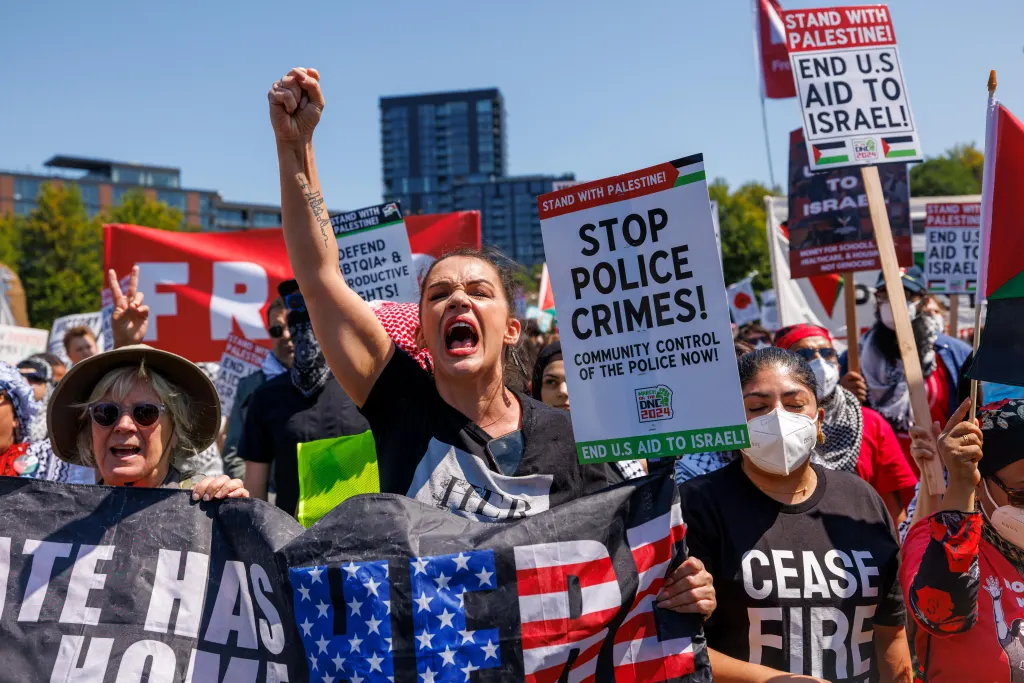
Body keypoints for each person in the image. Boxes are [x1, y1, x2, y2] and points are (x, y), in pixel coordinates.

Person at [268, 67, 713, 617]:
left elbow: (624, 569)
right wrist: (297, 147)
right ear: (423, 328)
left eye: (479, 291)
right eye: (439, 296)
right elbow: (319, 276)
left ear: (510, 328)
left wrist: (682, 588)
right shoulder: (400, 403)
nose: (458, 302)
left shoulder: (575, 437)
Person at [679, 348, 911, 682]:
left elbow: (891, 632)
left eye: (794, 405)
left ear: (819, 420)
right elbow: (679, 646)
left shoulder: (861, 499)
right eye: (757, 408)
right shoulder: (699, 505)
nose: (778, 418)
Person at [900, 398, 1024, 682]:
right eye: (1022, 494)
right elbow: (942, 616)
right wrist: (959, 486)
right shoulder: (934, 539)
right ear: (980, 484)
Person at [240, 280, 371, 517]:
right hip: (294, 542)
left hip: (366, 536)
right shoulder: (266, 397)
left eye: (310, 319)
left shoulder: (365, 385)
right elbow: (255, 492)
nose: (300, 333)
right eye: (295, 319)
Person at [46, 343, 245, 498]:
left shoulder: (206, 511)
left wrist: (234, 519)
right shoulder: (62, 518)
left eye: (145, 412)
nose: (124, 425)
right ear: (89, 434)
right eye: (106, 413)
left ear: (176, 431)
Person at [774, 324, 918, 525]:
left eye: (827, 353)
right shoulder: (771, 426)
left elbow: (892, 509)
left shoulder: (871, 423)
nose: (819, 362)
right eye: (805, 354)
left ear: (838, 364)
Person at [844, 266, 973, 471]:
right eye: (885, 293)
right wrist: (844, 397)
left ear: (922, 301)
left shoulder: (956, 354)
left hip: (942, 474)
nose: (893, 301)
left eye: (905, 294)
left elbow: (973, 412)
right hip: (885, 478)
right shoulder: (854, 357)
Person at [530, 341, 646, 480]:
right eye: (551, 382)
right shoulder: (527, 456)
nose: (563, 391)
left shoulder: (616, 447)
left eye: (575, 380)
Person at [222, 293, 294, 479]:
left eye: (292, 325)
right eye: (277, 330)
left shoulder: (337, 380)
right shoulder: (249, 387)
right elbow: (234, 454)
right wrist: (259, 500)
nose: (286, 335)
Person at [17, 356, 55, 442]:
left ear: (48, 384)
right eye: (19, 378)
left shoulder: (58, 420)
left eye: (33, 378)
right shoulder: (5, 413)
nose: (25, 382)